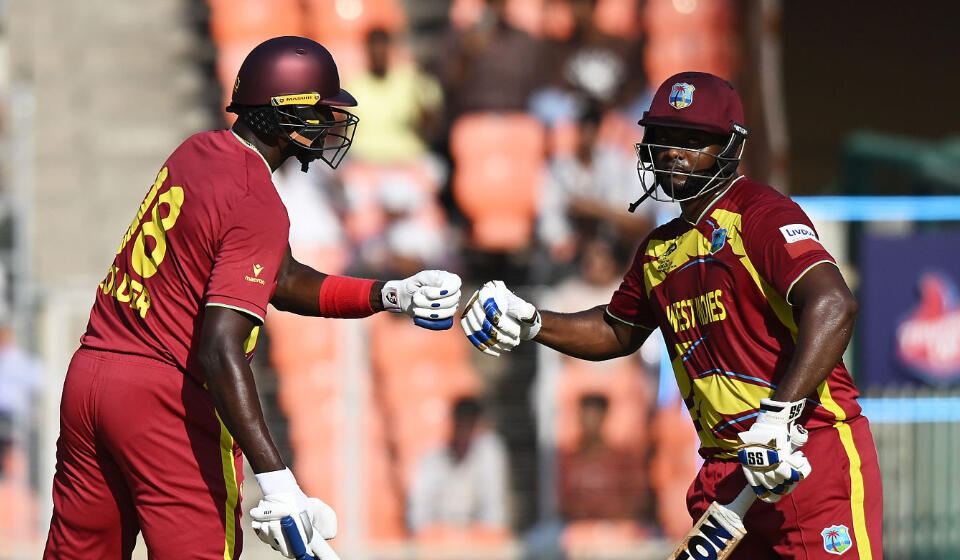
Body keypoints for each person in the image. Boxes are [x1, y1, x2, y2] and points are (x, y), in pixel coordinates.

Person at [44, 36, 462, 560]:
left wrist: (386, 293)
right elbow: (221, 346)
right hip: (164, 396)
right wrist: (278, 478)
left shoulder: (197, 150)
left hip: (91, 377)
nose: (330, 122)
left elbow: (279, 278)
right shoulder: (256, 197)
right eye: (318, 108)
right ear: (281, 113)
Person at [461, 72, 883, 558]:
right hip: (728, 474)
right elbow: (617, 330)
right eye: (663, 139)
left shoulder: (761, 213)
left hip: (805, 454)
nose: (673, 153)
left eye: (693, 140)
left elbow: (834, 303)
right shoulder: (658, 250)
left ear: (729, 147)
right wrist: (533, 321)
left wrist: (778, 416)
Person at [408, 397, 508, 535]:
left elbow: (494, 512)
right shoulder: (432, 458)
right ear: (453, 423)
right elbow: (419, 515)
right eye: (461, 423)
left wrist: (475, 536)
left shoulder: (489, 454)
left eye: (470, 424)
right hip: (438, 547)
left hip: (477, 547)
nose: (465, 430)